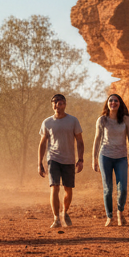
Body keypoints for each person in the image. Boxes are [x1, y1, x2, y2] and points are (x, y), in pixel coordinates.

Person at [37, 94, 84, 228]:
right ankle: (56, 218)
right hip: (53, 158)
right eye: (55, 102)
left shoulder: (73, 121)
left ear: (65, 104)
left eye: (61, 102)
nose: (58, 105)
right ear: (52, 105)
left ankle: (64, 212)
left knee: (68, 189)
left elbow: (79, 141)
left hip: (69, 159)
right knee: (54, 186)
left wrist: (80, 159)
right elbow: (42, 143)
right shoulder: (47, 122)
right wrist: (39, 163)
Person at [91, 93, 129, 225]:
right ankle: (109, 216)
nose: (113, 103)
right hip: (105, 156)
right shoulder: (102, 120)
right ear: (107, 103)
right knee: (108, 188)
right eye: (111, 101)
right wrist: (94, 159)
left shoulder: (126, 120)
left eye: (116, 101)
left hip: (121, 157)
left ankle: (120, 213)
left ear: (119, 103)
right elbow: (97, 140)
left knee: (123, 188)